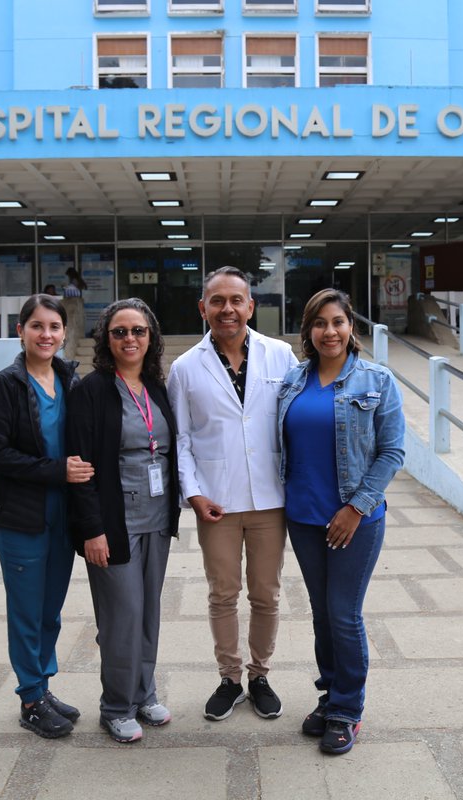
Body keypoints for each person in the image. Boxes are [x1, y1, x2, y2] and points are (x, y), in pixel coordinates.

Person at [276, 288, 405, 755]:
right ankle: (330, 696)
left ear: (351, 327)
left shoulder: (376, 380)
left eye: (338, 322)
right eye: (319, 323)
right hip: (304, 518)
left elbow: (393, 452)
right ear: (308, 331)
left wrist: (356, 508)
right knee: (322, 615)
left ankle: (348, 710)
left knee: (344, 615)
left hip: (354, 519)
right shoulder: (293, 381)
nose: (329, 331)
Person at [167, 266, 298, 721]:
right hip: (216, 503)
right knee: (222, 594)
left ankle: (260, 675)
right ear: (203, 308)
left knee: (266, 594)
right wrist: (194, 494)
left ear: (250, 305)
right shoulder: (185, 368)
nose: (228, 309)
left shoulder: (281, 356)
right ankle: (229, 677)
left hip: (270, 499)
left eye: (236, 300)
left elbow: (297, 423)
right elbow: (179, 440)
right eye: (217, 301)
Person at [0, 293, 94, 739]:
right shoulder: (5, 384)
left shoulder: (69, 377)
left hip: (61, 517)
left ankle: (42, 687)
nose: (46, 335)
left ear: (65, 333)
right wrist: (57, 470)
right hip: (19, 519)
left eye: (54, 327)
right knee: (27, 612)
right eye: (37, 326)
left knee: (50, 612)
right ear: (21, 331)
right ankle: (30, 698)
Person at [67, 298, 181, 744]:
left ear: (150, 337)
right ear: (105, 339)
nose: (129, 339)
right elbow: (81, 467)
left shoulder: (156, 386)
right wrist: (91, 529)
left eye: (138, 331)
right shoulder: (92, 390)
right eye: (119, 332)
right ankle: (115, 706)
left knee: (149, 611)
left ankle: (143, 693)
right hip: (113, 522)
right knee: (122, 615)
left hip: (156, 517)